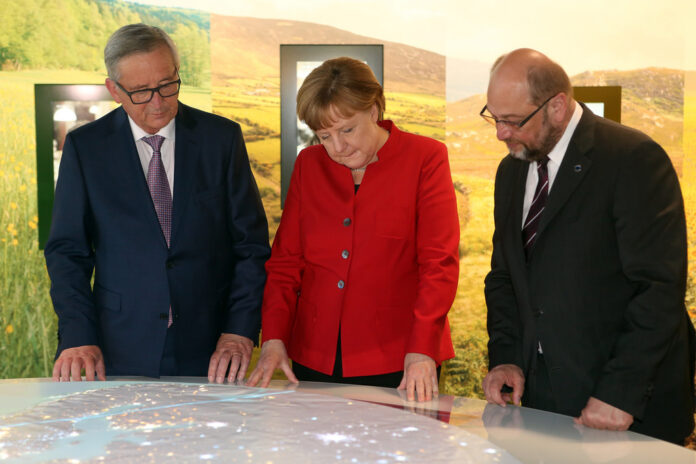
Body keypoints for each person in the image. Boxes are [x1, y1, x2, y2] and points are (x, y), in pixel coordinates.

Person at [481, 48, 695, 443]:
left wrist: (619, 393)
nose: (500, 133)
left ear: (557, 107)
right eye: (493, 118)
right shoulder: (510, 171)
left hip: (621, 406)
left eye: (512, 121)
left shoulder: (633, 159)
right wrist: (507, 358)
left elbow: (657, 289)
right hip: (540, 402)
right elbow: (504, 276)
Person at [44, 24, 270, 382]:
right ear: (114, 90)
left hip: (212, 350)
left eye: (168, 84)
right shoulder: (86, 148)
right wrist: (77, 336)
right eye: (141, 92)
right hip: (117, 348)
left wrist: (239, 330)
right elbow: (67, 252)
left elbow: (251, 247)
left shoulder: (221, 139)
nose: (159, 102)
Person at [247, 57, 459, 402]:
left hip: (402, 358)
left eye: (347, 130)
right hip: (311, 357)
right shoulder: (308, 165)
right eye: (324, 136)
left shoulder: (426, 157)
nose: (338, 148)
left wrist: (422, 350)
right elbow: (286, 262)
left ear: (374, 110)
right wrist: (273, 339)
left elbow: (439, 264)